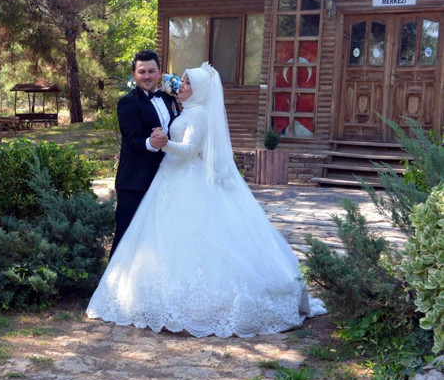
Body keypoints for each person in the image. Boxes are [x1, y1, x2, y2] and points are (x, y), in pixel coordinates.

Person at [87, 63, 326, 338]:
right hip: (167, 178)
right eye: (183, 81)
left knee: (195, 239)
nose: (181, 86)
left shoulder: (198, 114)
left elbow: (189, 151)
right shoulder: (184, 108)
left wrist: (165, 143)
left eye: (187, 83)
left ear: (198, 90)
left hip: (184, 177)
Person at [111, 50, 180, 256]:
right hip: (135, 182)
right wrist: (152, 142)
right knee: (126, 236)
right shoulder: (127, 103)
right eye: (142, 72)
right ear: (134, 74)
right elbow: (132, 140)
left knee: (157, 238)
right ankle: (112, 284)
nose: (147, 76)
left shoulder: (170, 100)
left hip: (166, 180)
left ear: (160, 72)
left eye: (151, 71)